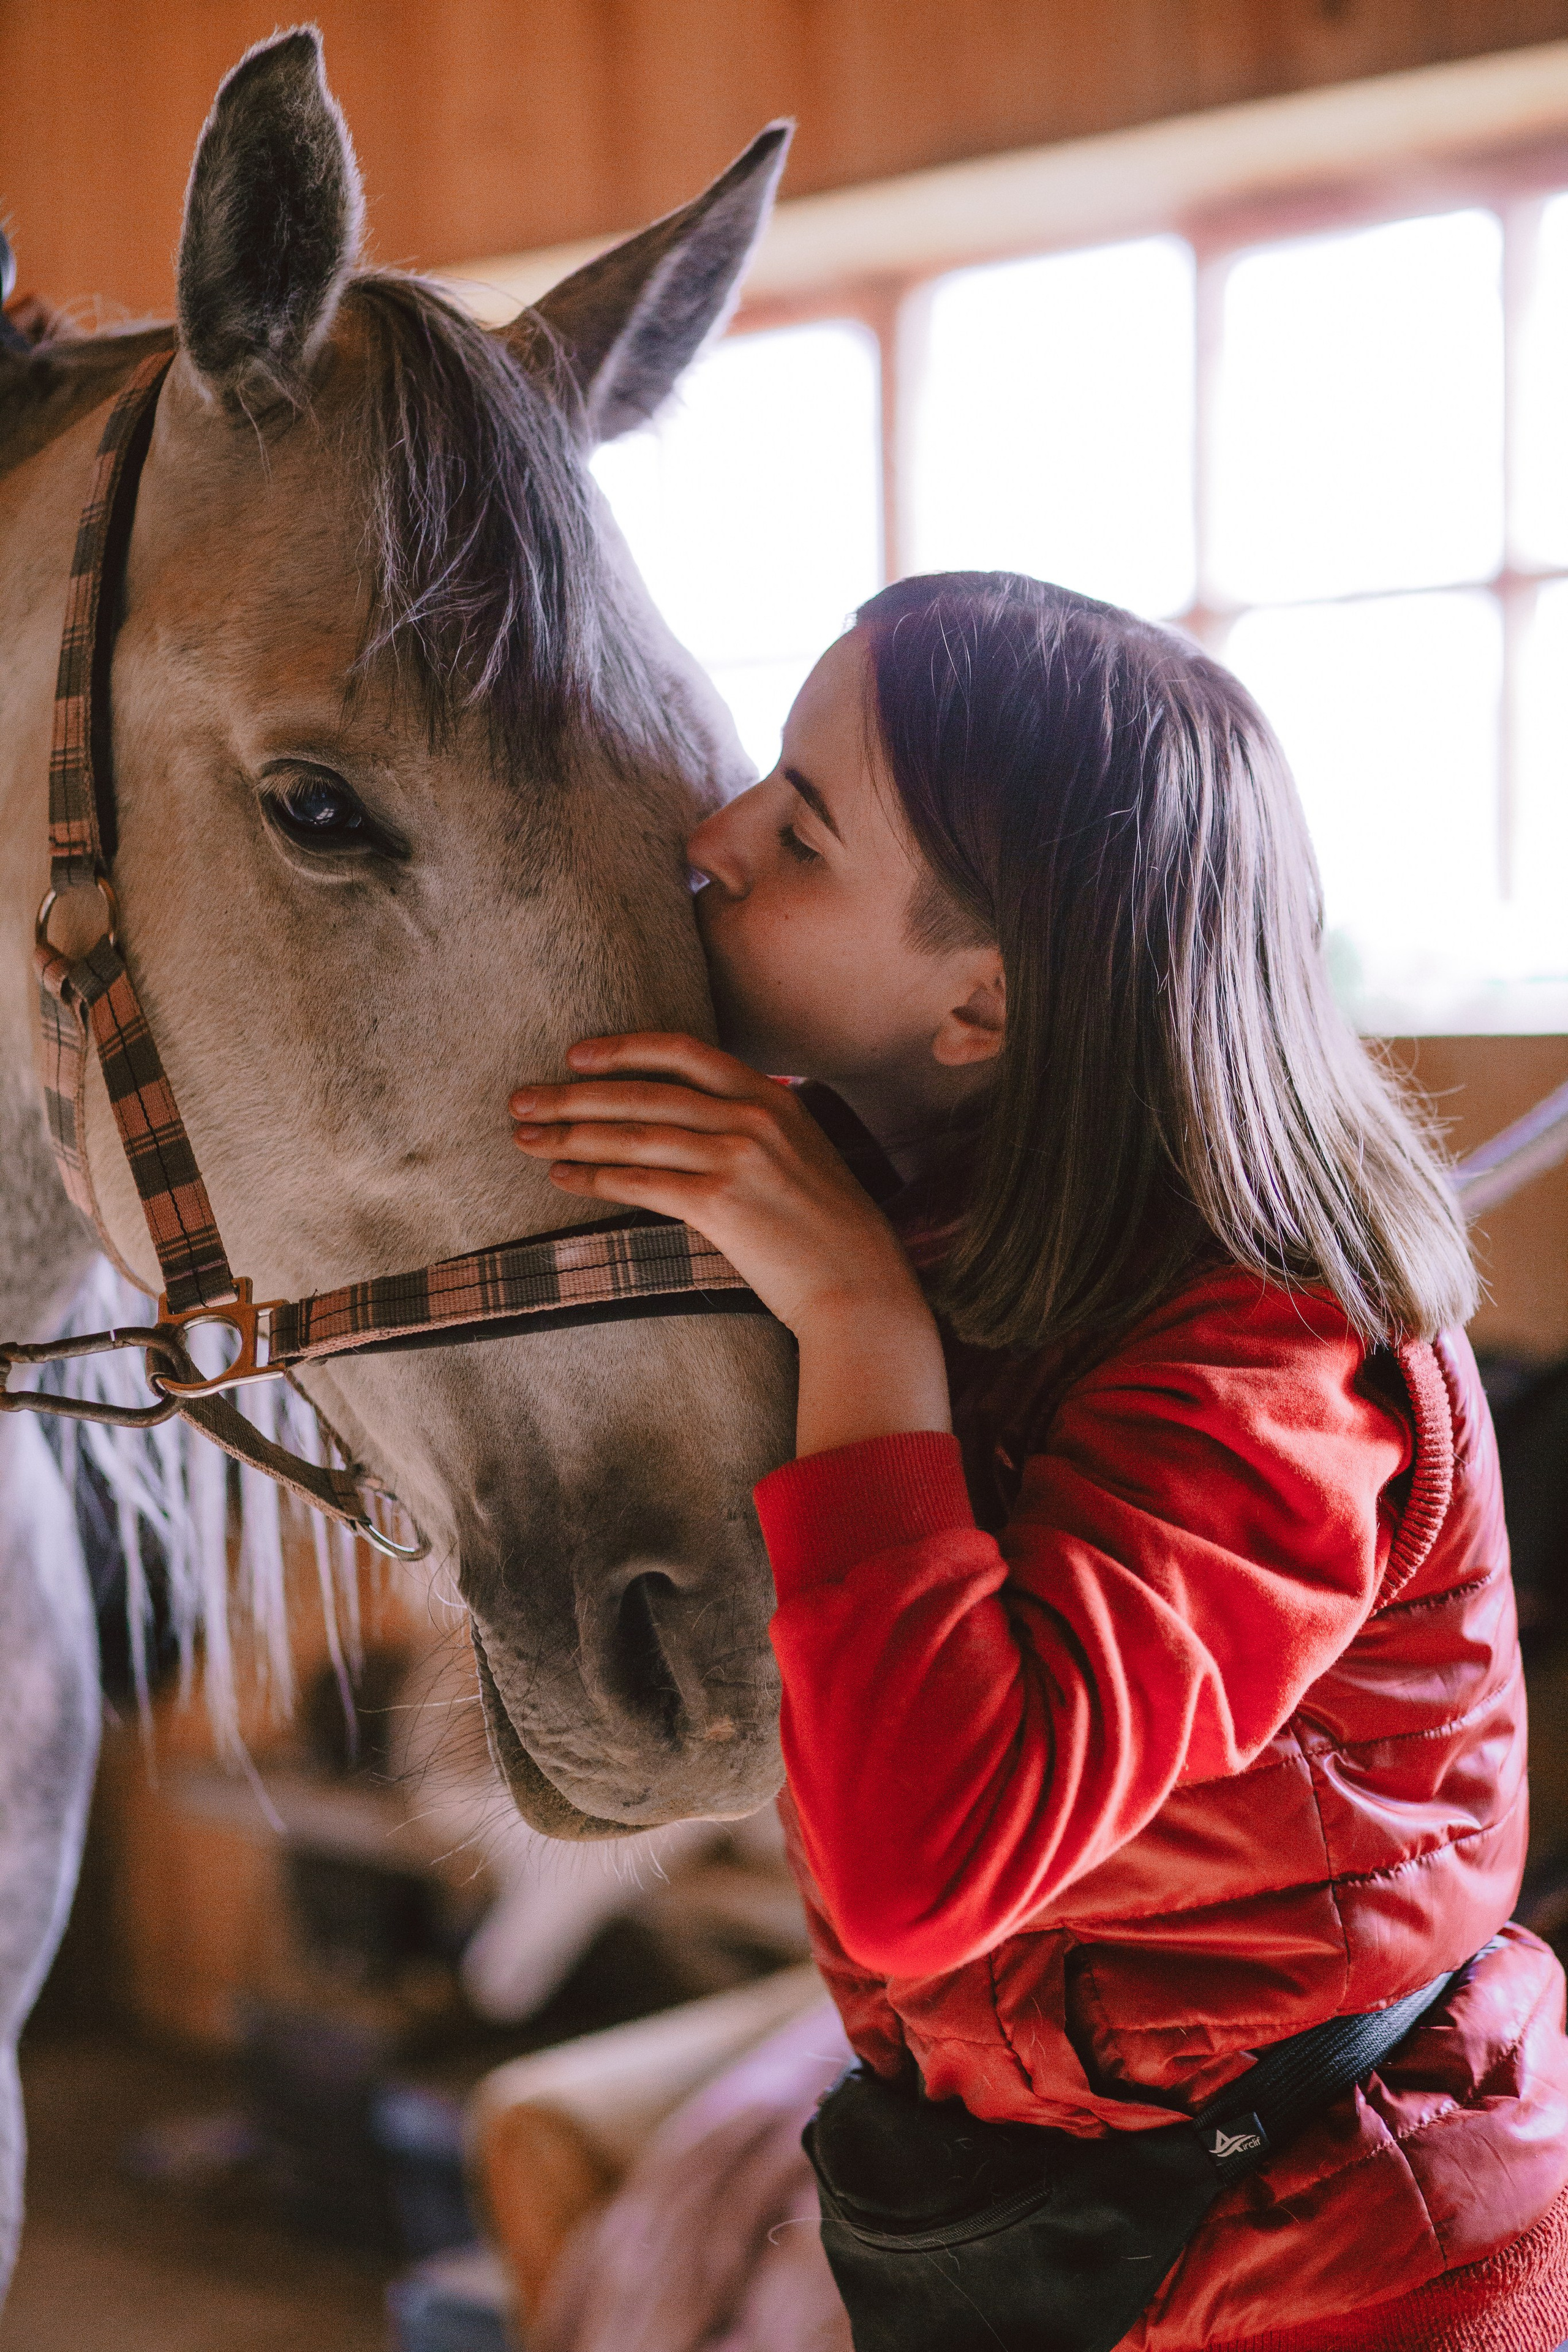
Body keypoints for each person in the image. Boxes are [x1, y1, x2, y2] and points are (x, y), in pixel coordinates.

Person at [508, 572, 1568, 2349]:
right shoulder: (923, 1194)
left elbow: (928, 1871)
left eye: (802, 830)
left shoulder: (1276, 1345)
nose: (713, 838)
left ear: (984, 1012)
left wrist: (855, 1322)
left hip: (1340, 2275)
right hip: (1080, 2225)